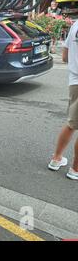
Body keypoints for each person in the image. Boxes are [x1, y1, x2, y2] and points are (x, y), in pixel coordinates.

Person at [48, 19, 78, 180]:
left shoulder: (75, 25)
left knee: (72, 123)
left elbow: (65, 56)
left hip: (74, 82)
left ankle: (57, 158)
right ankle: (75, 169)